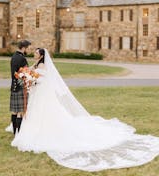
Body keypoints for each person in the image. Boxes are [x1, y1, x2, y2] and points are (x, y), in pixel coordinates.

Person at [11, 48, 159, 172]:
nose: (35, 54)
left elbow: (43, 79)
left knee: (46, 113)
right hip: (38, 93)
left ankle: (46, 130)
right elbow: (31, 73)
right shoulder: (36, 64)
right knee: (35, 113)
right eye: (35, 52)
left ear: (42, 55)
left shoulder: (43, 66)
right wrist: (28, 77)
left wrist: (33, 80)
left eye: (37, 52)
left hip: (43, 93)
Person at [10, 40, 31, 135]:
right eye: (27, 47)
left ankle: (15, 132)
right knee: (20, 112)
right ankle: (19, 133)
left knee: (14, 111)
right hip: (21, 87)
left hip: (14, 86)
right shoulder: (22, 59)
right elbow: (26, 73)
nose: (28, 49)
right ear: (24, 47)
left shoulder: (13, 56)